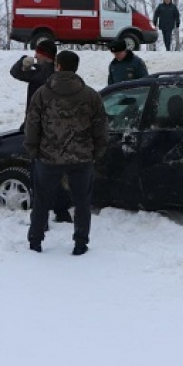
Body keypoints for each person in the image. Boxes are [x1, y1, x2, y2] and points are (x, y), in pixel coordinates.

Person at [25, 51, 108, 255]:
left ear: (58, 66)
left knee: (42, 200)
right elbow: (101, 126)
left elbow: (32, 123)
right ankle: (80, 243)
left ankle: (35, 240)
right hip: (82, 158)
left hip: (48, 157)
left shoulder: (42, 94)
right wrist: (97, 151)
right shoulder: (90, 95)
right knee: (82, 202)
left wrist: (32, 149)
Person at [9, 39, 72, 223]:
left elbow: (15, 73)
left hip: (39, 132)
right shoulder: (58, 73)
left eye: (38, 53)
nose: (35, 56)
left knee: (39, 175)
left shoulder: (41, 73)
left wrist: (23, 62)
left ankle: (40, 217)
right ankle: (61, 211)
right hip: (56, 132)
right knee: (57, 173)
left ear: (45, 55)